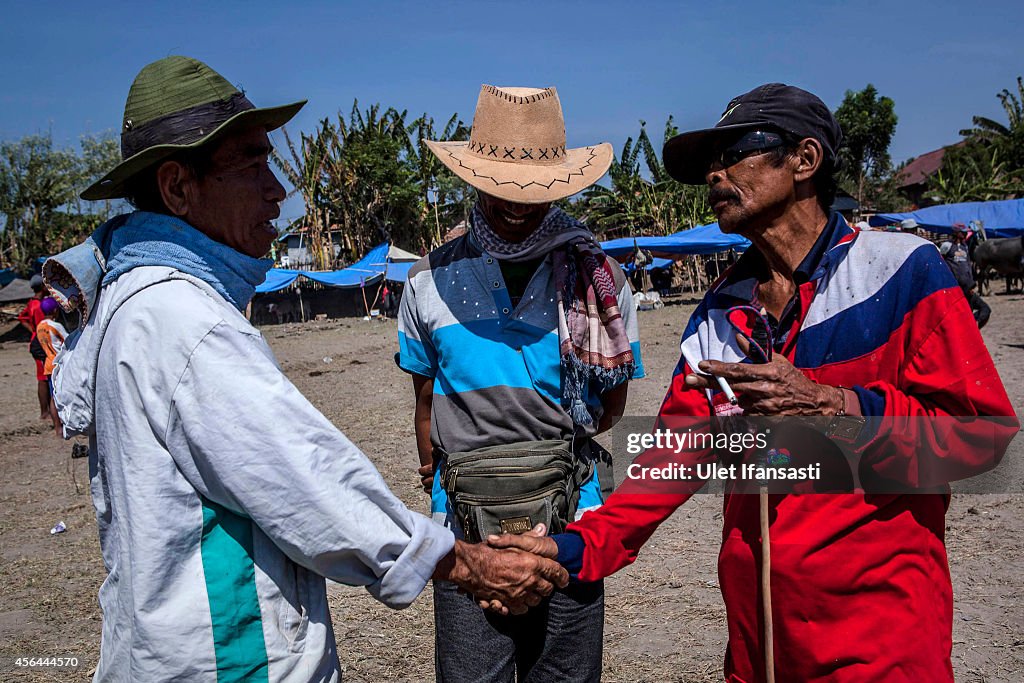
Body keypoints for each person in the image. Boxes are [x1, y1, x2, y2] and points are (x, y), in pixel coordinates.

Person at [43, 56, 565, 682]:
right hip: (230, 658)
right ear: (179, 187)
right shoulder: (183, 317)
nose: (277, 190)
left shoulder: (143, 300)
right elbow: (306, 479)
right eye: (253, 164)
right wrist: (464, 562)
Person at [491, 83, 1018, 682]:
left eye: (734, 151)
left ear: (804, 159)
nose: (714, 174)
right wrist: (573, 549)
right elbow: (673, 459)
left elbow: (983, 439)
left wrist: (838, 406)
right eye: (709, 164)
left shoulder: (898, 273)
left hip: (882, 648)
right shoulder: (720, 315)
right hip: (759, 650)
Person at [398, 84, 644, 682]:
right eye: (498, 187)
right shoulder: (425, 279)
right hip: (464, 533)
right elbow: (425, 408)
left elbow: (610, 406)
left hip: (574, 517)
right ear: (472, 178)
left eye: (533, 190)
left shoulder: (601, 279)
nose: (515, 204)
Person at [943, 224, 990, 328]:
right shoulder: (947, 245)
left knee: (985, 310)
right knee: (960, 316)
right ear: (956, 233)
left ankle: (972, 329)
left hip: (968, 288)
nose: (965, 234)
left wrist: (971, 283)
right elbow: (941, 262)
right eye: (962, 232)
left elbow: (967, 266)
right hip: (955, 290)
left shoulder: (965, 247)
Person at [17, 274, 49, 419]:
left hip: (35, 340)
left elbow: (22, 317)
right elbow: (44, 327)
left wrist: (32, 330)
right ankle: (44, 412)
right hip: (41, 344)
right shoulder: (39, 307)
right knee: (43, 378)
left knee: (44, 376)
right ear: (43, 287)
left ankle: (47, 410)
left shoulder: (32, 303)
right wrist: (36, 331)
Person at [34, 296, 67, 433]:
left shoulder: (40, 327)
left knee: (53, 397)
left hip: (47, 363)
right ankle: (65, 423)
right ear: (55, 310)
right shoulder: (55, 326)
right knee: (63, 393)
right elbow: (67, 340)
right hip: (59, 363)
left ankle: (57, 427)